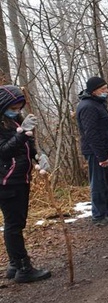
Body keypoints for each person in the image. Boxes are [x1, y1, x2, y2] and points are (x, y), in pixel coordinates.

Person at [0, 85, 52, 283]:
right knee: (14, 225)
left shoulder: (14, 122)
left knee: (15, 223)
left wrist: (39, 157)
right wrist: (22, 133)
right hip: (7, 181)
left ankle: (14, 264)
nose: (17, 112)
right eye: (13, 108)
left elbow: (26, 146)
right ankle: (23, 267)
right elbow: (5, 151)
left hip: (20, 178)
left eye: (19, 108)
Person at [76, 76, 108, 226]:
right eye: (103, 89)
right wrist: (100, 156)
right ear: (94, 90)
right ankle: (99, 215)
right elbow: (91, 133)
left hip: (103, 150)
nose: (107, 91)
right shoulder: (88, 106)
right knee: (98, 182)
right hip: (95, 152)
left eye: (106, 88)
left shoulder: (97, 103)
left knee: (107, 180)